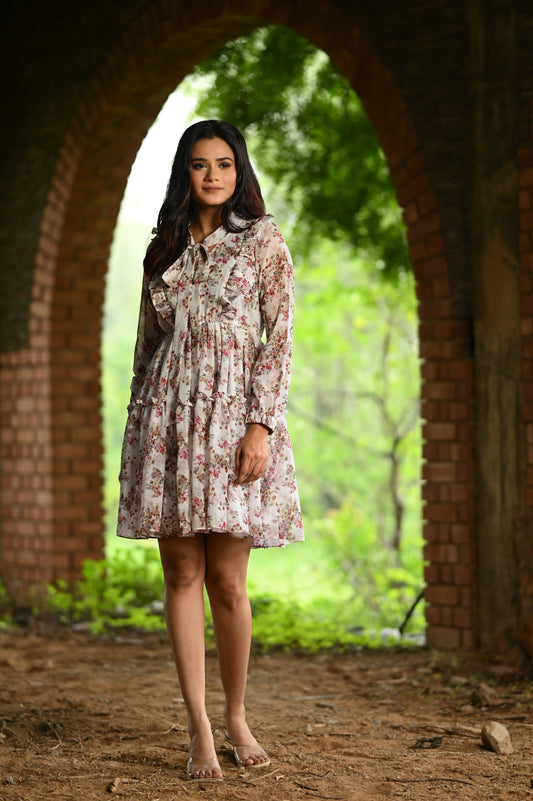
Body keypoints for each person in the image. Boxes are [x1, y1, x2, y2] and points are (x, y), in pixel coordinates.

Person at [117, 119, 304, 781]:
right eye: (201, 164)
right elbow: (147, 349)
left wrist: (262, 425)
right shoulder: (162, 249)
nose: (213, 175)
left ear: (238, 169)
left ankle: (236, 715)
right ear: (185, 173)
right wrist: (138, 436)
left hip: (233, 425)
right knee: (180, 576)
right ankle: (197, 724)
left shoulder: (261, 241)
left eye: (224, 163)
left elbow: (279, 339)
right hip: (167, 424)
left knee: (226, 581)